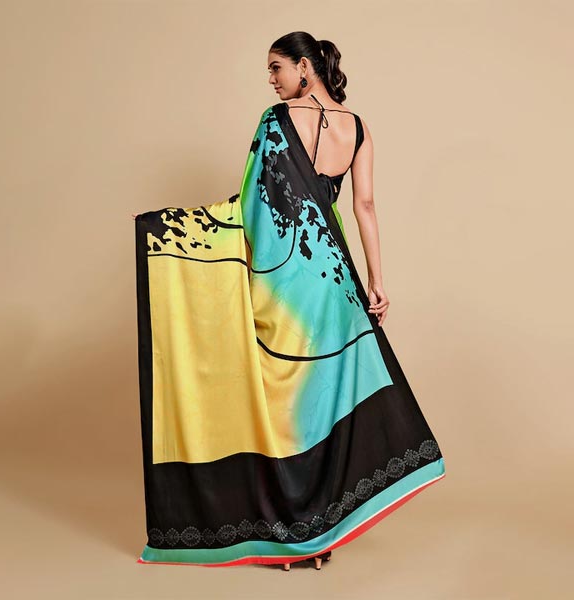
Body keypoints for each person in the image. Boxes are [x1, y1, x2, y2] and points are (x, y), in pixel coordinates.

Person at [132, 31, 445, 571]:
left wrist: (171, 231)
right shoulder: (358, 127)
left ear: (304, 66)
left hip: (287, 286)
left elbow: (249, 209)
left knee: (282, 408)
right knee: (321, 407)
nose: (271, 80)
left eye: (276, 67)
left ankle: (293, 534)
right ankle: (321, 534)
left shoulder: (274, 122)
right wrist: (376, 281)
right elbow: (365, 206)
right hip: (335, 280)